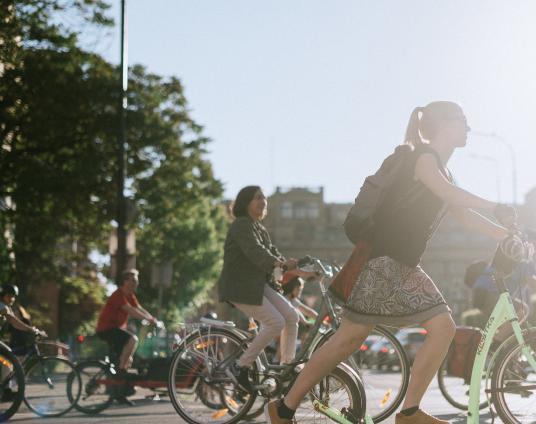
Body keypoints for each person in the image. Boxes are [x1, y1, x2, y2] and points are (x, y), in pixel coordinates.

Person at [266, 101, 519, 424]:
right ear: (444, 125)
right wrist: (497, 206)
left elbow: (463, 214)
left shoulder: (444, 169)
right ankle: (406, 413)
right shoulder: (423, 158)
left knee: (351, 340)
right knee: (431, 328)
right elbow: (447, 193)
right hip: (383, 264)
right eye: (462, 120)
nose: (468, 127)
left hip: (396, 264)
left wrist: (505, 234)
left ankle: (285, 409)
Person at [217, 186, 312, 393]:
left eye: (264, 198)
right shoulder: (241, 225)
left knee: (291, 316)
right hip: (240, 287)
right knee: (275, 322)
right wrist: (283, 264)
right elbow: (256, 253)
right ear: (245, 203)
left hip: (257, 285)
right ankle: (239, 366)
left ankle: (287, 367)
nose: (263, 201)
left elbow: (275, 255)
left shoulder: (258, 227)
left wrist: (304, 272)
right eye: (257, 198)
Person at [469, 229, 536, 333]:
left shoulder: (525, 259)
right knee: (522, 310)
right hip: (489, 293)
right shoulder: (519, 255)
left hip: (482, 292)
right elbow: (532, 281)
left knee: (511, 329)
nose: (535, 250)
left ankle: (495, 345)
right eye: (534, 245)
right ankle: (496, 343)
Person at [95, 269, 158, 405]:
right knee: (132, 340)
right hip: (106, 329)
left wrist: (152, 318)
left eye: (136, 281)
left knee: (127, 358)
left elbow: (139, 308)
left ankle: (119, 393)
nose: (136, 283)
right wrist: (148, 320)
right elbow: (131, 310)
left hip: (115, 329)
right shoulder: (118, 295)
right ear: (125, 281)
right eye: (133, 280)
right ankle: (121, 372)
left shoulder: (130, 295)